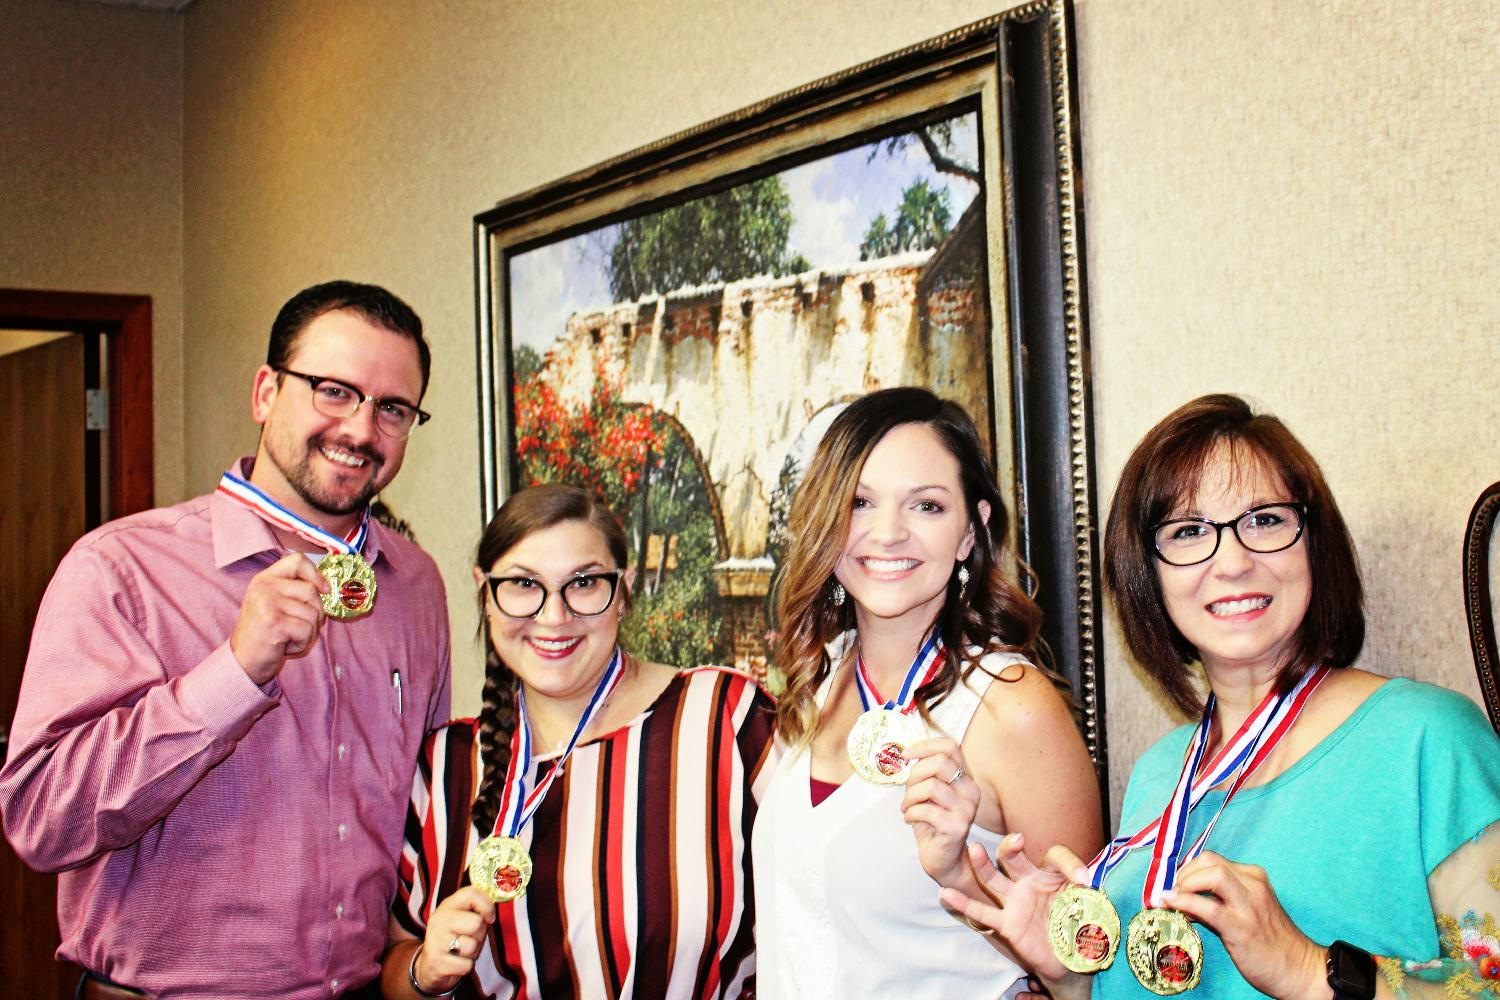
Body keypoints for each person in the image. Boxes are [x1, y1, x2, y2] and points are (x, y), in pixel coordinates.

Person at [943, 393, 1500, 1000]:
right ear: (1147, 576)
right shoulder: (1162, 771)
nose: (1232, 561)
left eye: (1265, 520)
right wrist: (1071, 979)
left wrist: (1305, 969)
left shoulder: (1429, 738)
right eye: (1187, 531)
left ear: (1314, 541)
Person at [0, 281, 453, 998]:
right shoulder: (120, 569)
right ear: (267, 392)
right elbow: (41, 820)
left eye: (392, 408)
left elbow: (422, 813)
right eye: (334, 391)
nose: (362, 431)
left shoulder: (416, 586)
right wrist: (234, 673)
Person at [753, 386, 1104, 998]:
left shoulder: (1011, 707)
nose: (888, 534)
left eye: (927, 506)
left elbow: (1086, 968)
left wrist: (963, 878)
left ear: (972, 531)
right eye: (860, 502)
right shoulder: (818, 678)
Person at [382, 483, 775, 999]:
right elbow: (395, 969)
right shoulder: (443, 767)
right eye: (523, 583)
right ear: (485, 592)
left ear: (624, 589)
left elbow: (818, 913)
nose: (553, 616)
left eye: (584, 582)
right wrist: (423, 970)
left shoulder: (724, 720)